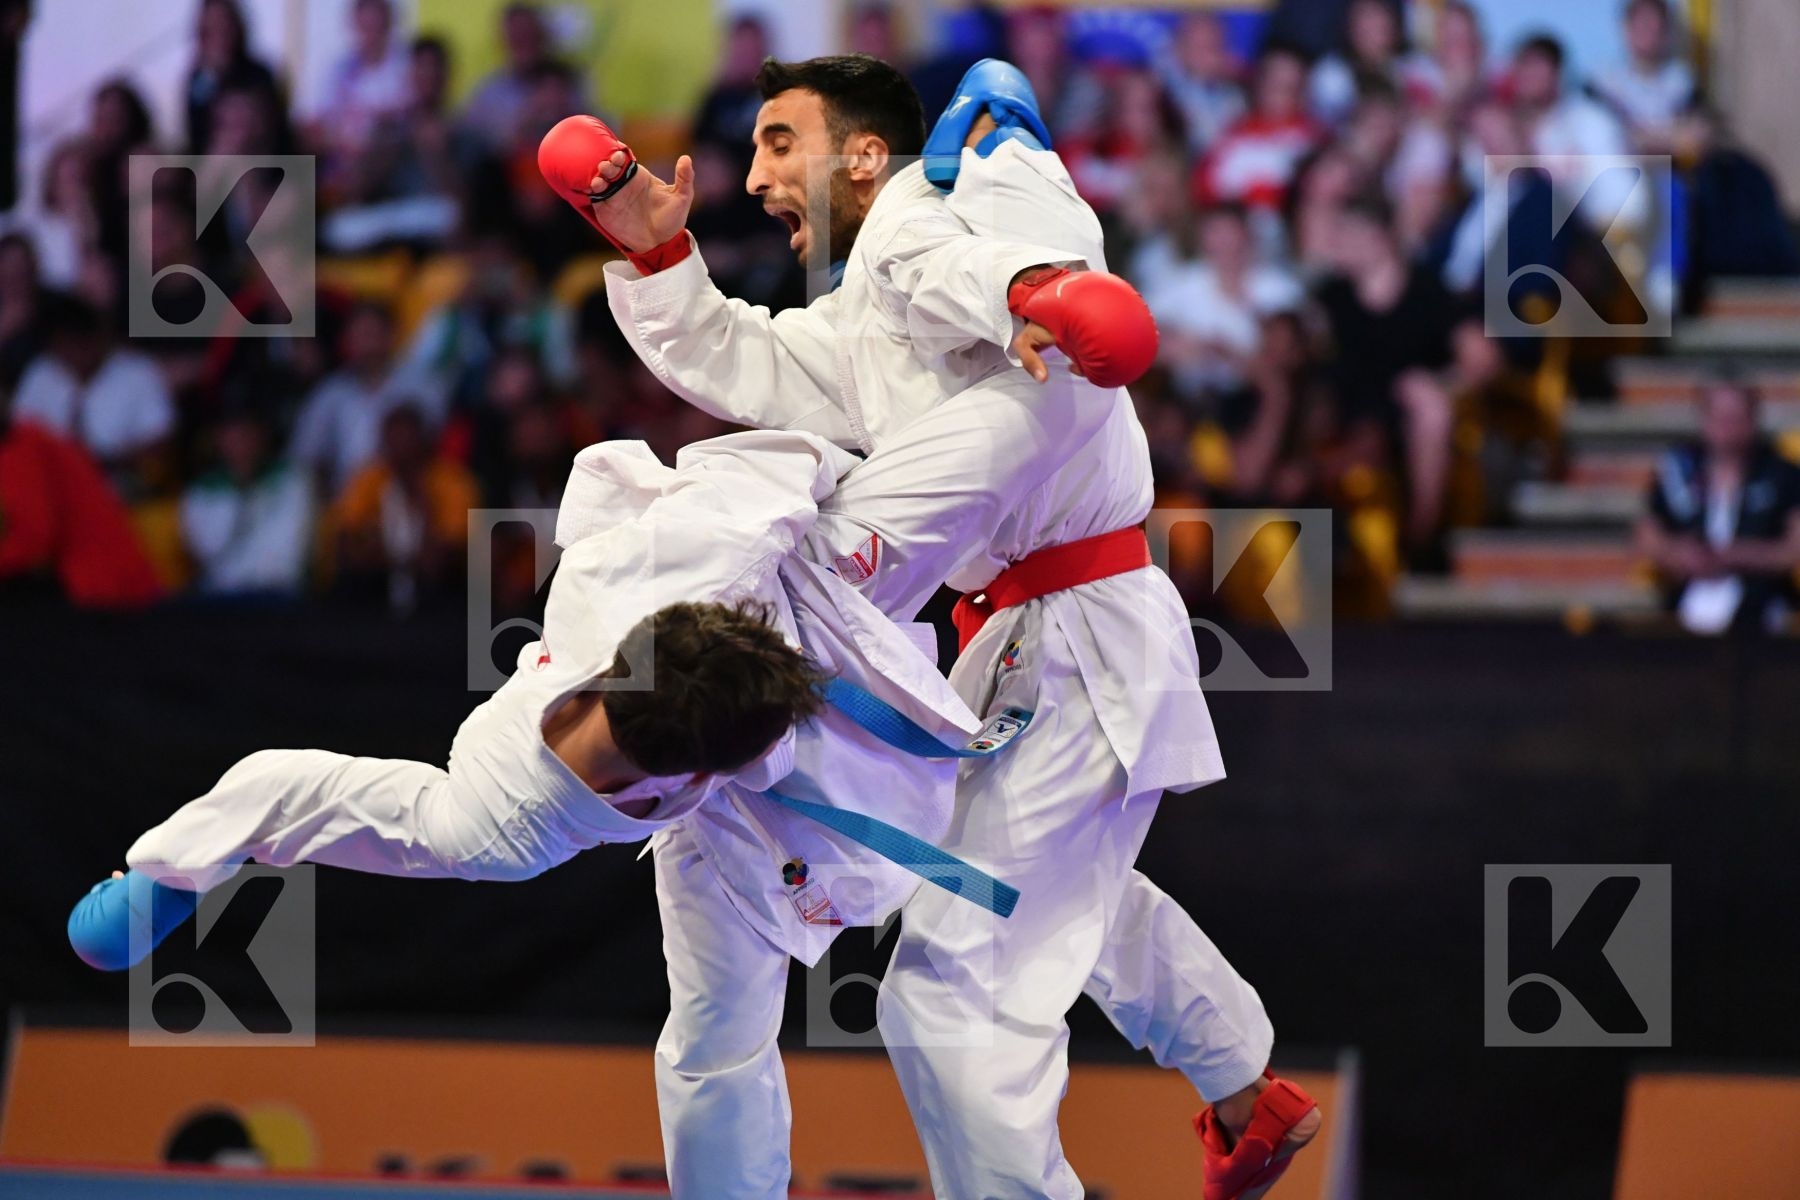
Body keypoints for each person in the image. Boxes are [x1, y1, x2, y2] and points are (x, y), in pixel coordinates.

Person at [544, 53, 1315, 1200]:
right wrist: (654, 252)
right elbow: (741, 354)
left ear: (863, 155)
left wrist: (1030, 287)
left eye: (778, 143)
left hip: (1080, 629)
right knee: (1011, 887)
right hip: (1006, 640)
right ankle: (1250, 1090)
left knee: (950, 989)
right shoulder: (861, 315)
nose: (754, 176)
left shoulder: (950, 216)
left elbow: (1007, 259)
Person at [1636, 379, 1800, 634]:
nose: (1727, 426)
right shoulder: (1679, 470)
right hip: (1686, 601)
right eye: (1719, 415)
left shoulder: (1782, 473)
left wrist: (1735, 556)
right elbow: (1647, 535)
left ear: (1754, 418)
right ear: (1703, 417)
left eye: (1736, 416)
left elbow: (1794, 548)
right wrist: (1680, 554)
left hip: (1759, 606)